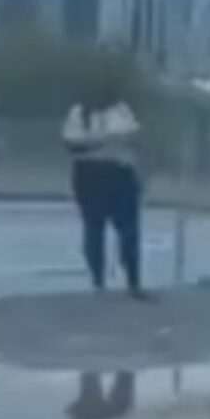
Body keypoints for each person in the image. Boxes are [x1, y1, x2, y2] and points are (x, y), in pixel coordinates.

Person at [62, 74, 148, 299]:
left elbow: (132, 138)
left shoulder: (121, 111)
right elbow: (71, 144)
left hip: (119, 173)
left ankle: (133, 282)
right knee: (94, 229)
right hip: (90, 174)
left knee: (129, 230)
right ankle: (98, 281)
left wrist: (98, 142)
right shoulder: (79, 113)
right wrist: (101, 141)